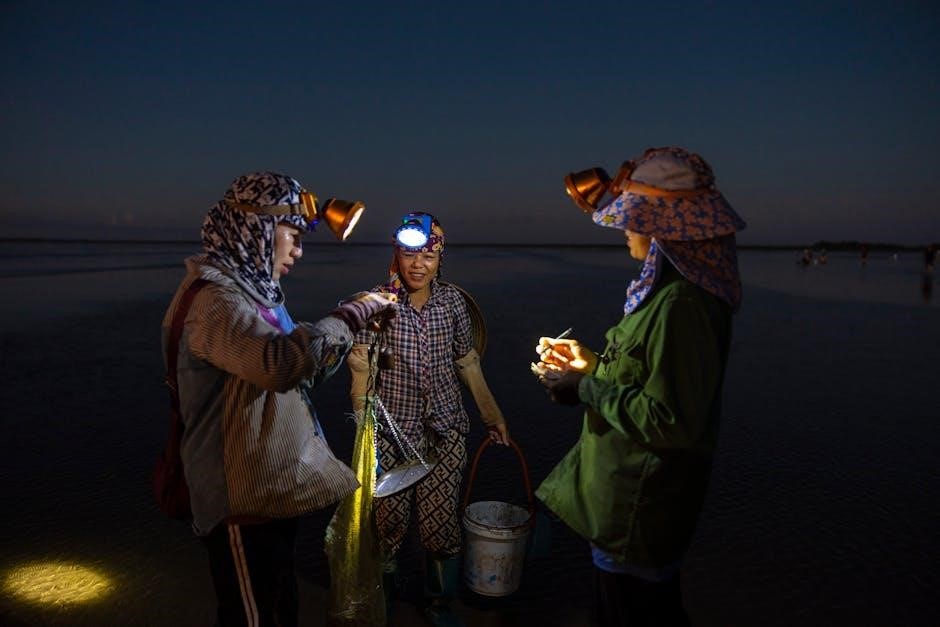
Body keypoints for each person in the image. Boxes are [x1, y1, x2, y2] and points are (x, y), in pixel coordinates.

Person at [162, 171, 396, 626]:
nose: (299, 251)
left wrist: (350, 331)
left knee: (280, 606)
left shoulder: (258, 296)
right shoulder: (215, 303)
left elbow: (299, 375)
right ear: (258, 230)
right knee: (253, 616)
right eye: (292, 236)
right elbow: (281, 364)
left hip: (270, 490)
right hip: (239, 503)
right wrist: (351, 314)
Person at [533, 147, 746, 626]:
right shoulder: (669, 297)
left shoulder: (682, 307)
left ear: (665, 231)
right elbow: (645, 378)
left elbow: (672, 421)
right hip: (630, 512)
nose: (626, 229)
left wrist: (582, 388)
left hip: (639, 514)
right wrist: (590, 363)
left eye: (635, 220)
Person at [346, 212, 509, 626]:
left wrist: (492, 415)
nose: (418, 265)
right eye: (409, 255)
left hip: (445, 431)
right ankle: (385, 598)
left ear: (440, 259)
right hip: (392, 435)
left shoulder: (453, 303)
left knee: (440, 528)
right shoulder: (378, 303)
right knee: (388, 524)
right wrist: (363, 428)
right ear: (396, 255)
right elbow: (360, 368)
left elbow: (467, 362)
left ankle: (438, 604)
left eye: (428, 257)